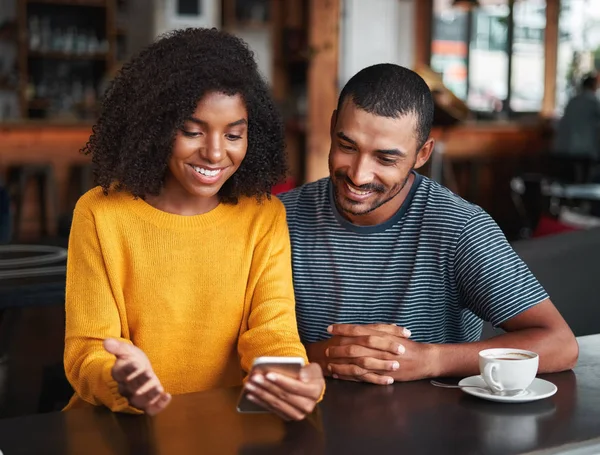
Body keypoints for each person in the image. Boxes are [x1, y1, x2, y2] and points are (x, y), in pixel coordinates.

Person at [64, 28, 324, 419]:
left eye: (234, 134)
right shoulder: (101, 213)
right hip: (119, 428)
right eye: (192, 131)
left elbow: (273, 332)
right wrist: (120, 379)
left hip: (223, 426)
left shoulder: (263, 215)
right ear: (156, 127)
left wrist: (287, 381)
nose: (216, 153)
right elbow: (87, 351)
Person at [278, 64, 579, 385]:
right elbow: (237, 347)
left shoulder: (460, 228)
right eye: (348, 146)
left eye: (386, 159)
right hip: (310, 422)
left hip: (439, 428)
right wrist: (322, 357)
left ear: (422, 154)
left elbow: (560, 344)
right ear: (333, 125)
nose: (359, 174)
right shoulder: (280, 218)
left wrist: (431, 359)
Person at [553, 73, 600, 182]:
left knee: (570, 180)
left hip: (565, 149)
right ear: (594, 86)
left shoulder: (573, 101)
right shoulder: (593, 102)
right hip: (584, 151)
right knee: (583, 181)